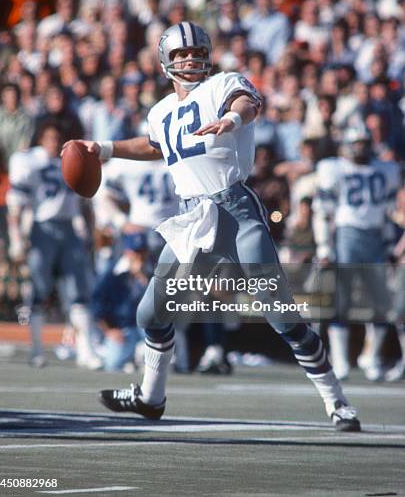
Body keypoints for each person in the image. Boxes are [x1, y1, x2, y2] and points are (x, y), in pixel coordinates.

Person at [63, 22, 360, 431]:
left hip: (235, 212)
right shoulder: (161, 110)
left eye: (195, 52)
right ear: (166, 61)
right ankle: (151, 398)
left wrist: (232, 122)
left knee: (282, 315)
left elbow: (246, 103)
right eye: (181, 54)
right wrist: (107, 149)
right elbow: (156, 145)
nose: (189, 59)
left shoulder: (224, 84)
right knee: (150, 314)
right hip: (192, 219)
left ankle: (337, 401)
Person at [7, 122, 99, 369]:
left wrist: (88, 231)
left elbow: (84, 201)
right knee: (39, 289)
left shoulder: (68, 159)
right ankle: (36, 349)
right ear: (41, 139)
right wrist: (16, 236)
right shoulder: (29, 161)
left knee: (78, 290)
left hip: (68, 228)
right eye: (49, 138)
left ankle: (84, 350)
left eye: (57, 138)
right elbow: (16, 201)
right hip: (42, 229)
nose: (54, 143)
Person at [313, 126, 400, 381]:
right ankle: (340, 360)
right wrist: (324, 246)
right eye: (356, 142)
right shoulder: (334, 168)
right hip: (347, 235)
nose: (361, 147)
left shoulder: (385, 169)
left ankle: (371, 357)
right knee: (342, 300)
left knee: (381, 303)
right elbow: (323, 212)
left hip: (374, 237)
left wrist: (388, 244)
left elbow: (387, 211)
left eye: (364, 142)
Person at [92, 231, 149, 372]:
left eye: (142, 252)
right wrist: (109, 330)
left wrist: (142, 278)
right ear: (127, 252)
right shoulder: (113, 273)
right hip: (122, 330)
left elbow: (159, 304)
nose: (139, 256)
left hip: (147, 331)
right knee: (112, 364)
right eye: (136, 252)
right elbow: (97, 305)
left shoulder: (153, 271)